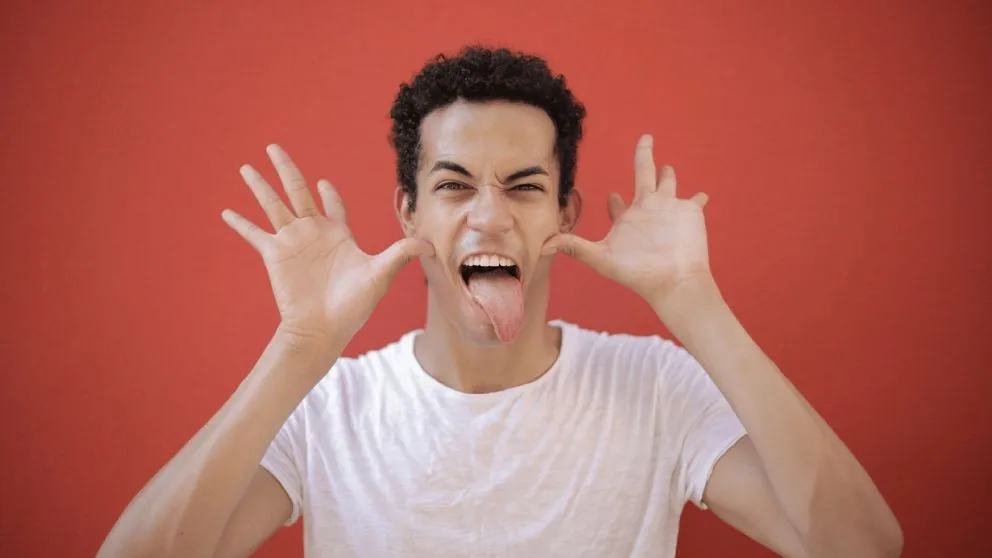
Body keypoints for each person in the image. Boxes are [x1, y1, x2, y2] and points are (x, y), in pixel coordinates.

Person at [98, 46, 902, 558]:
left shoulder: (655, 387)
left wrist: (694, 301)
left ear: (565, 215)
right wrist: (299, 348)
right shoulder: (329, 408)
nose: (489, 216)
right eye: (454, 186)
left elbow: (863, 545)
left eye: (524, 187)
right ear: (409, 213)